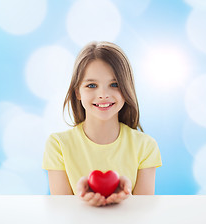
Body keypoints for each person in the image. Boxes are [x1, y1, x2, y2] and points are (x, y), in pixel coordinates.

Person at [42, 41, 162, 207]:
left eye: (114, 84)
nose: (103, 94)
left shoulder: (145, 146)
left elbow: (144, 213)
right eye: (92, 85)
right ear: (77, 91)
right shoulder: (58, 145)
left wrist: (126, 196)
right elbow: (61, 212)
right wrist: (82, 198)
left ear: (127, 88)